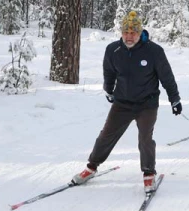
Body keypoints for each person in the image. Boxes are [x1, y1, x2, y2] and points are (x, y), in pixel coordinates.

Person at [71, 11, 182, 193]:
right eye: (126, 32)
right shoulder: (113, 50)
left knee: (145, 138)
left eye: (133, 33)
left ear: (140, 33)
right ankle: (91, 167)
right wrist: (108, 89)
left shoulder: (154, 51)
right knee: (106, 135)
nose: (129, 37)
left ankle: (148, 173)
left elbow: (167, 77)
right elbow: (109, 71)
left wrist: (174, 99)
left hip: (147, 103)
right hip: (122, 102)